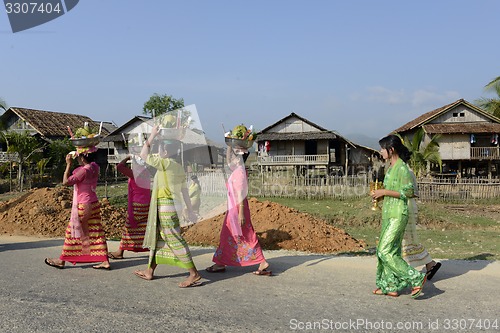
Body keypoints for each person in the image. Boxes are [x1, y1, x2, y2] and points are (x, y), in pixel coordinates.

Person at [133, 124, 202, 288]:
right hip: (174, 207)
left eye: (160, 150)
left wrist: (152, 135)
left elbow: (143, 155)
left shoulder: (164, 163)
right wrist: (190, 209)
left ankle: (194, 273)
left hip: (166, 207)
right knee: (158, 239)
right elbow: (185, 191)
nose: (157, 153)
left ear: (165, 152)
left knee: (174, 240)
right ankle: (150, 271)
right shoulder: (178, 167)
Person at [371, 135, 426, 298]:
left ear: (391, 149)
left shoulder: (402, 168)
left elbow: (409, 192)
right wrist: (380, 196)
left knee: (384, 250)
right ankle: (390, 285)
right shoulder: (390, 168)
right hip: (388, 214)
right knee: (391, 251)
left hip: (398, 215)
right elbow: (393, 191)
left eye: (382, 148)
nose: (380, 151)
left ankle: (416, 278)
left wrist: (384, 192)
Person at [205, 145, 271, 276]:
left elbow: (241, 193)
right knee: (229, 235)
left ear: (239, 159)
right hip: (234, 208)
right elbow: (228, 159)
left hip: (238, 209)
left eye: (235, 156)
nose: (232, 158)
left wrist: (241, 213)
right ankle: (220, 262)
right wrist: (229, 144)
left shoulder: (240, 172)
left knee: (245, 234)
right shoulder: (237, 169)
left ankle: (261, 261)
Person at [44, 146, 110, 270]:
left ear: (83, 157)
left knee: (72, 232)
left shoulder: (84, 171)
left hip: (83, 205)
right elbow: (80, 171)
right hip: (94, 202)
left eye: (79, 156)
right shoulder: (95, 167)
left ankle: (62, 260)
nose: (77, 158)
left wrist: (68, 165)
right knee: (96, 231)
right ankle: (104, 260)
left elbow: (66, 182)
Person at [108, 154, 151, 260]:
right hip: (147, 205)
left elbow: (119, 167)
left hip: (137, 205)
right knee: (144, 228)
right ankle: (151, 250)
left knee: (128, 228)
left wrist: (128, 157)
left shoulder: (135, 173)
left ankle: (120, 252)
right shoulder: (146, 173)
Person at [402, 169, 441, 280]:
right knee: (409, 240)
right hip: (409, 206)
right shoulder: (407, 171)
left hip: (406, 207)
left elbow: (406, 192)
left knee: (405, 240)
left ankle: (405, 272)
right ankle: (430, 263)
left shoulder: (404, 171)